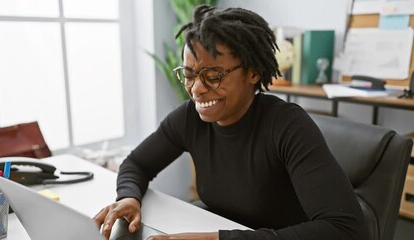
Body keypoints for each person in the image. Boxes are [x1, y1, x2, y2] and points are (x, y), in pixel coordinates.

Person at [94, 4, 368, 240]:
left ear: (252, 73)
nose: (197, 89)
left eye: (212, 75)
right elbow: (137, 164)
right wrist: (129, 197)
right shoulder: (190, 117)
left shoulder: (287, 125)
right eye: (189, 75)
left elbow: (346, 230)